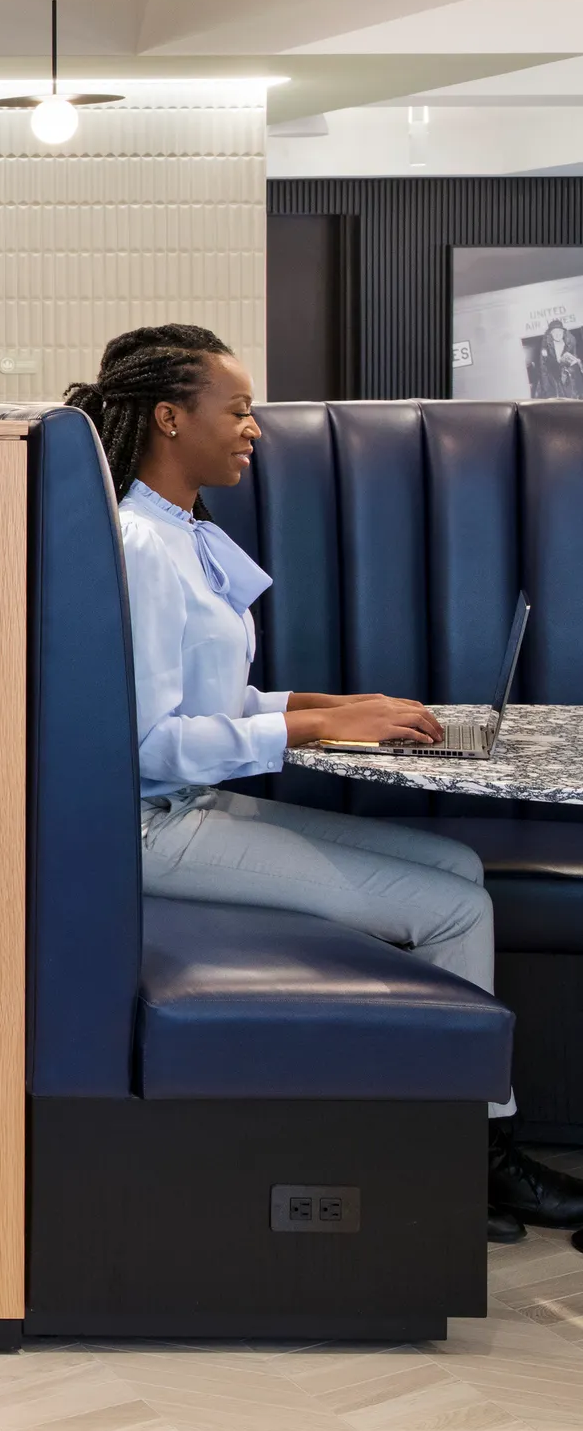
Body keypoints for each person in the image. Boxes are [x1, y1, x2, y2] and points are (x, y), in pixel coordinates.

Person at [68, 323, 583, 1243]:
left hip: (187, 805)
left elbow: (206, 696)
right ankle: (466, 1157)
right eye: (238, 409)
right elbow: (144, 741)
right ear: (168, 416)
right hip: (147, 826)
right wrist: (314, 726)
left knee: (460, 869)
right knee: (457, 912)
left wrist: (334, 700)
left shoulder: (181, 531)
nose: (253, 427)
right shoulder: (142, 543)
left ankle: (451, 1131)